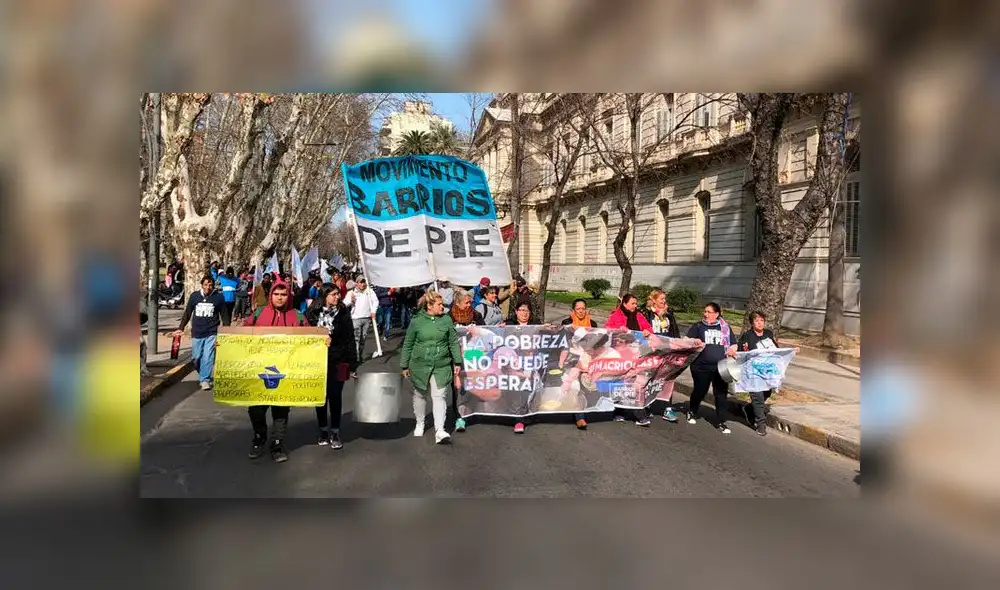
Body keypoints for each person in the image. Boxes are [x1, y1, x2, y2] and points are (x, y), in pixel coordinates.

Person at [244, 281, 311, 462]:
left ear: (288, 296)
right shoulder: (259, 314)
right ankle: (259, 437)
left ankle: (277, 445)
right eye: (276, 294)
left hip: (287, 370)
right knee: (256, 409)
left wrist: (323, 341)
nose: (280, 298)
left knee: (280, 410)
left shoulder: (297, 316)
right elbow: (241, 335)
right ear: (271, 296)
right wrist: (225, 342)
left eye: (283, 294)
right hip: (260, 369)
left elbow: (310, 339)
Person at [400, 290, 462, 445]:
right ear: (429, 305)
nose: (443, 307)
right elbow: (408, 344)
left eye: (442, 304)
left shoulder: (446, 320)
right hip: (420, 365)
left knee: (439, 396)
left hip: (441, 365)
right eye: (439, 304)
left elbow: (453, 341)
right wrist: (404, 364)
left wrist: (457, 362)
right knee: (420, 395)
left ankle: (439, 430)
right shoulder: (416, 321)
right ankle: (420, 422)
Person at [306, 286, 358, 449]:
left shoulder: (343, 313)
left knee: (335, 396)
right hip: (317, 361)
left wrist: (352, 363)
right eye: (333, 294)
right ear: (324, 296)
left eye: (338, 294)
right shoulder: (312, 312)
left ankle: (335, 431)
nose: (337, 297)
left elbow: (350, 338)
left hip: (338, 360)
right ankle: (323, 430)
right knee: (320, 397)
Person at [685, 302, 737, 434]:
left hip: (721, 367)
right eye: (705, 311)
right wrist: (693, 342)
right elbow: (685, 340)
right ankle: (692, 410)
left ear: (716, 314)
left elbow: (733, 344)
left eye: (709, 312)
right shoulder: (698, 326)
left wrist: (731, 350)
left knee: (720, 394)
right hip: (700, 366)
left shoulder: (724, 327)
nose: (705, 314)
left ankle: (721, 421)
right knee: (700, 390)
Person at [604, 294, 654, 426]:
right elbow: (607, 330)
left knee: (637, 383)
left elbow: (649, 328)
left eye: (636, 303)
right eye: (632, 303)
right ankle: (619, 411)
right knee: (622, 382)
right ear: (625, 304)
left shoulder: (638, 315)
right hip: (622, 355)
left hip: (638, 354)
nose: (635, 306)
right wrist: (618, 331)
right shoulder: (616, 315)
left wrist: (647, 332)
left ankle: (639, 413)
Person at [173, 275, 226, 391]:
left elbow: (224, 316)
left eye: (211, 285)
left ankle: (205, 380)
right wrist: (180, 328)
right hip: (197, 332)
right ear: (202, 285)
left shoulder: (219, 298)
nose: (208, 287)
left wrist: (226, 332)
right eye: (206, 284)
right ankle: (203, 372)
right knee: (196, 357)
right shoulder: (194, 296)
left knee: (208, 357)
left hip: (212, 332)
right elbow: (187, 313)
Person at [641, 288, 681, 421]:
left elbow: (674, 331)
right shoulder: (646, 313)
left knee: (668, 378)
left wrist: (678, 346)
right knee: (650, 378)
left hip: (667, 352)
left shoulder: (668, 314)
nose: (664, 301)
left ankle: (667, 408)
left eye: (665, 299)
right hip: (651, 351)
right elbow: (641, 329)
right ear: (653, 300)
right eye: (661, 299)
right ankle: (645, 405)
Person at [448, 289, 484, 433]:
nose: (470, 305)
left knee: (471, 386)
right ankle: (459, 417)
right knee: (458, 387)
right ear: (457, 303)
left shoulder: (476, 315)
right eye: (466, 302)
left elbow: (486, 331)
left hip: (472, 357)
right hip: (455, 358)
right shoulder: (448, 317)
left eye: (470, 302)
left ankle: (471, 410)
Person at [560, 299, 597, 429]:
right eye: (578, 309)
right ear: (573, 310)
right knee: (575, 386)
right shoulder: (566, 323)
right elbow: (562, 341)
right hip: (572, 359)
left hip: (587, 359)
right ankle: (579, 417)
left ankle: (578, 411)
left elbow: (596, 341)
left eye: (583, 308)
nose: (581, 311)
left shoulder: (592, 323)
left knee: (584, 387)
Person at [344, 275, 379, 362]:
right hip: (356, 319)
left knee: (363, 339)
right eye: (361, 282)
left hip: (367, 319)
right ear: (357, 283)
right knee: (356, 339)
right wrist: (350, 301)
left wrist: (373, 311)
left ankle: (360, 355)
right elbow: (344, 304)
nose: (363, 284)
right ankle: (356, 358)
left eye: (364, 282)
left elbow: (376, 301)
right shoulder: (352, 292)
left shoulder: (369, 291)